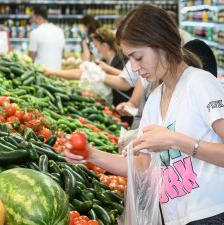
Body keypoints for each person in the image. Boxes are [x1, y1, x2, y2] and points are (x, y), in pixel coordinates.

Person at [65, 4, 224, 225]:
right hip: (175, 218)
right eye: (130, 59)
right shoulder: (153, 101)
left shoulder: (199, 83)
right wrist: (90, 154)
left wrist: (175, 140)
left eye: (138, 57)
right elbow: (142, 165)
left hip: (213, 213)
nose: (135, 68)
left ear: (161, 45)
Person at [28, 6, 65, 70]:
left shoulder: (35, 33)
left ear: (39, 18)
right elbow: (62, 53)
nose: (30, 21)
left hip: (41, 74)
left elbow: (30, 59)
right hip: (57, 73)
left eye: (32, 18)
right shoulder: (60, 31)